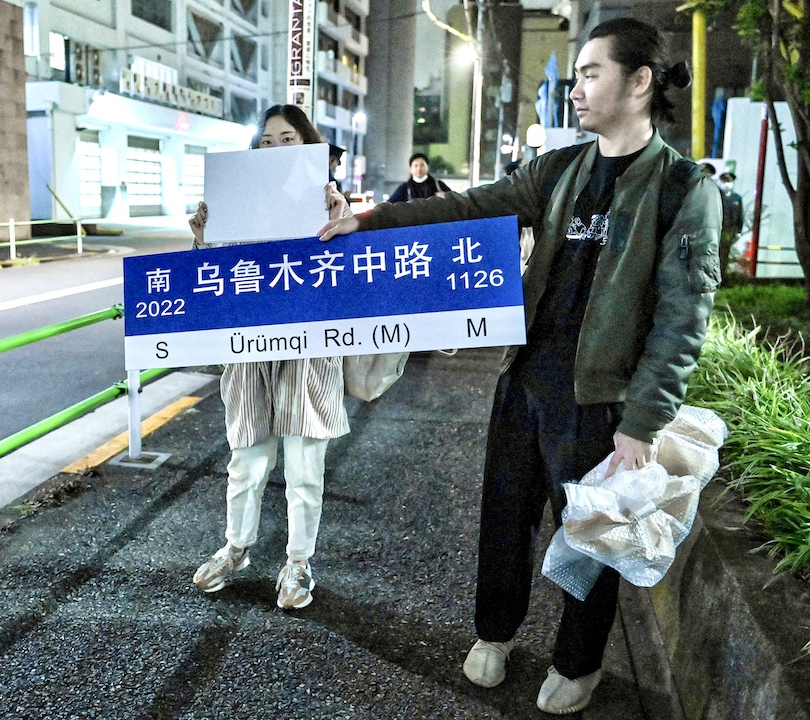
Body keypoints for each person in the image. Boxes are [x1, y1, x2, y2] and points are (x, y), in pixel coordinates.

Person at [319, 17, 720, 714]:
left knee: (591, 531)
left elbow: (684, 319)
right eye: (577, 74)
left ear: (641, 82)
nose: (578, 87)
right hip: (525, 378)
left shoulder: (685, 190)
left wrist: (645, 420)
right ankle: (495, 633)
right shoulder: (561, 168)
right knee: (505, 516)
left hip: (601, 399)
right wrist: (369, 221)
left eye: (592, 72)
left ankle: (579, 661)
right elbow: (471, 206)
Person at [188, 104, 350, 610]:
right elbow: (214, 275)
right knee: (246, 460)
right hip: (250, 346)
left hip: (308, 347)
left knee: (305, 465)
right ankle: (236, 548)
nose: (274, 148)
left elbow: (346, 270)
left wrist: (341, 219)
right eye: (266, 141)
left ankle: (298, 562)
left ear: (308, 145)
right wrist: (202, 237)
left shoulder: (327, 200)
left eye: (287, 139)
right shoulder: (234, 199)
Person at [718, 171, 743, 283]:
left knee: (725, 255)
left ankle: (722, 278)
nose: (727, 183)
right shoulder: (717, 195)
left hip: (730, 231)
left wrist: (738, 231)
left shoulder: (736, 197)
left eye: (729, 181)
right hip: (718, 229)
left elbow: (740, 215)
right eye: (725, 181)